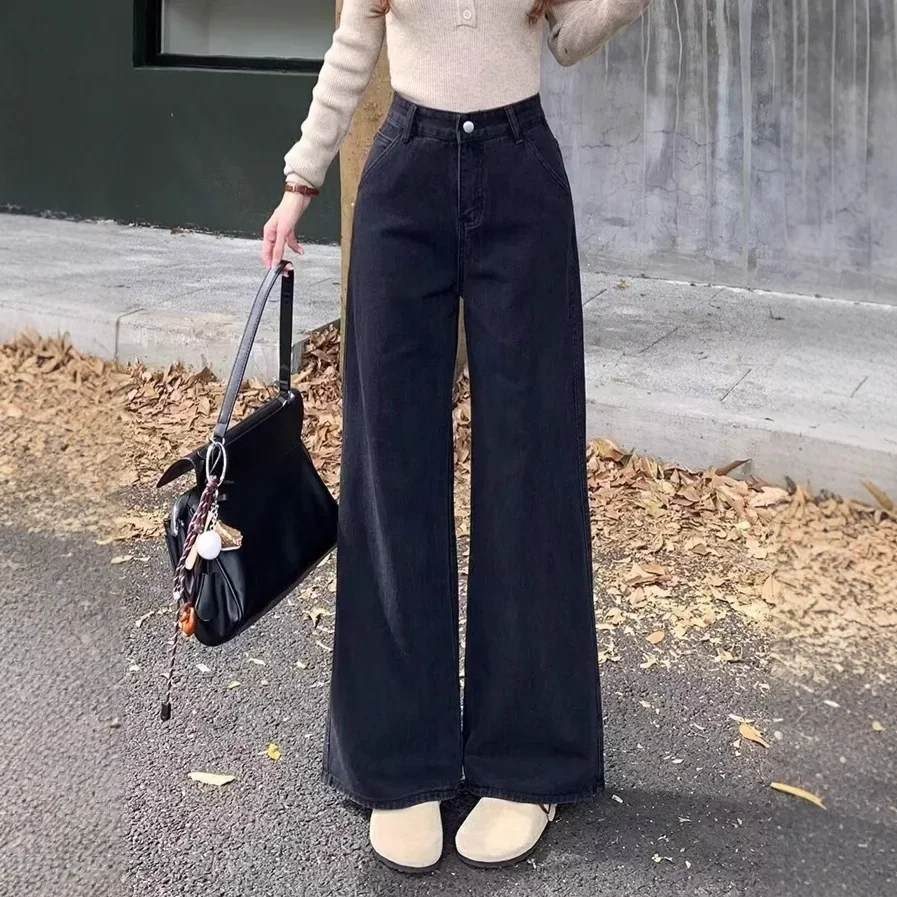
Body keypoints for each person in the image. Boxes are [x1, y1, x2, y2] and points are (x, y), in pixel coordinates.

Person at [262, 0, 652, 873]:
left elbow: (570, 36)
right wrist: (299, 182)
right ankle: (397, 762)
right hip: (404, 175)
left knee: (531, 462)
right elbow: (353, 46)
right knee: (389, 463)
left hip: (521, 174)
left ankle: (528, 763)